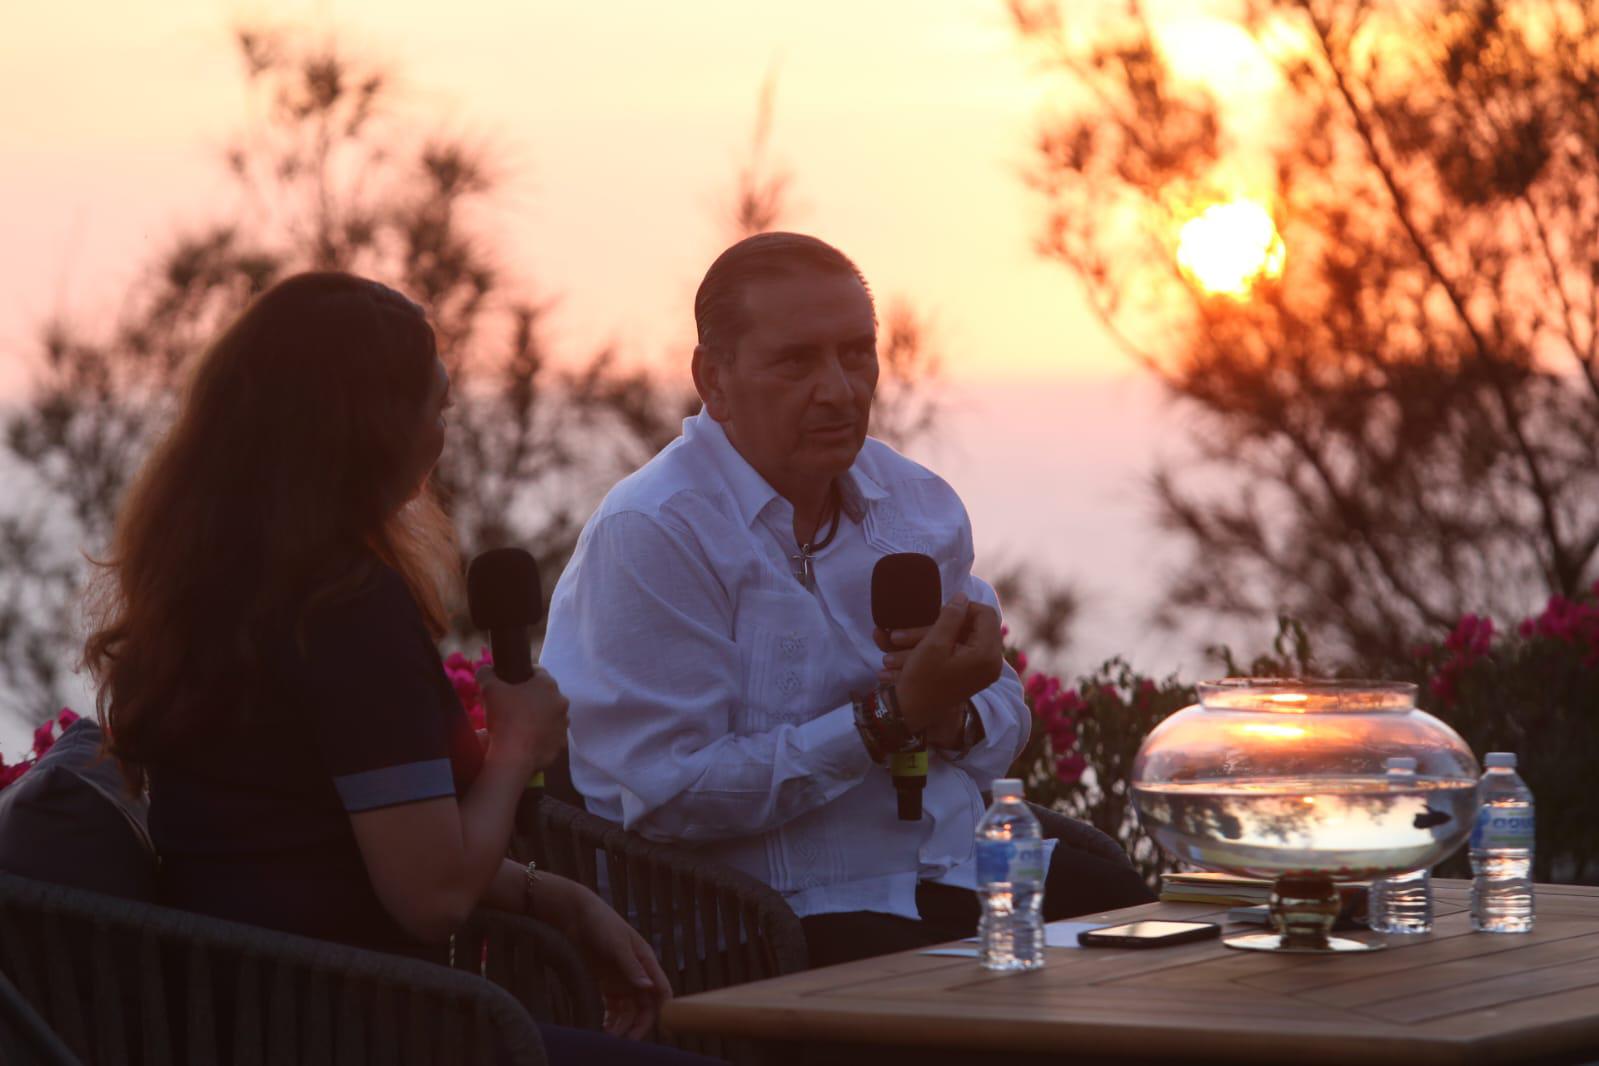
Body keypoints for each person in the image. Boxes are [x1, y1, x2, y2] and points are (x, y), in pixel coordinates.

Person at [83, 272, 694, 1061]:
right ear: (366, 428)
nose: (442, 436)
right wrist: (516, 748)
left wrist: (560, 900)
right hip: (357, 1029)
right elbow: (429, 896)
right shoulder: (343, 611)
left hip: (234, 1020)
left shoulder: (206, 590)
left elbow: (323, 842)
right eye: (434, 410)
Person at [541, 232, 1153, 968]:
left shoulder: (913, 503)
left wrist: (954, 713)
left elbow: (1000, 722)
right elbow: (667, 796)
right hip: (762, 910)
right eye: (796, 361)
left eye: (856, 353)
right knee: (927, 984)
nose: (837, 388)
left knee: (1127, 912)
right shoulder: (655, 532)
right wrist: (885, 722)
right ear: (714, 379)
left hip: (947, 872)